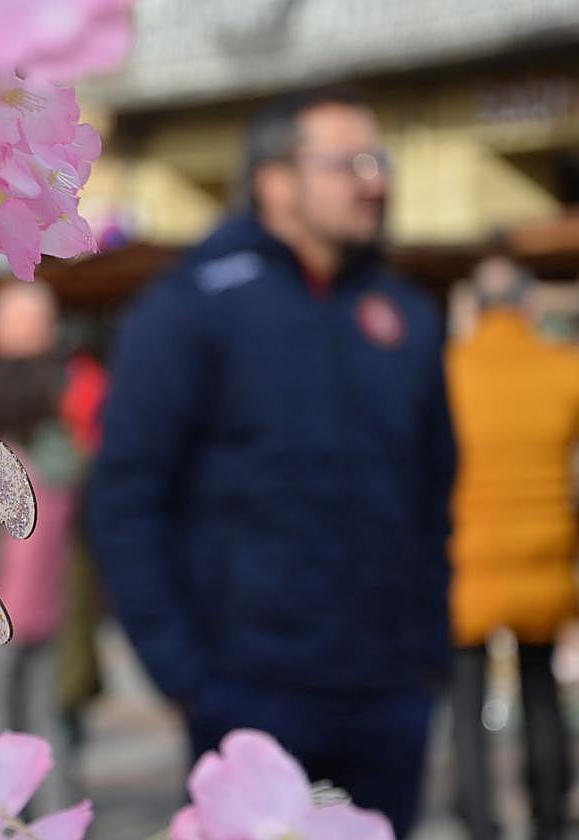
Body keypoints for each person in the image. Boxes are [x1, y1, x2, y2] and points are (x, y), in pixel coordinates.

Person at [89, 88, 456, 836]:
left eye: (378, 160)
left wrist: (427, 657)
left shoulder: (405, 314)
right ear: (275, 180)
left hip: (389, 691)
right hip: (250, 690)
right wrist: (186, 676)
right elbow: (126, 496)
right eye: (348, 162)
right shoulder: (193, 307)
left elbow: (434, 489)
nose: (373, 180)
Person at [448, 255, 579, 840]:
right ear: (528, 305)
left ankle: (481, 820)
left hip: (467, 559)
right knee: (541, 692)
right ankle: (548, 814)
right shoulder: (562, 369)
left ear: (475, 306)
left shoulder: (450, 371)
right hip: (543, 555)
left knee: (467, 700)